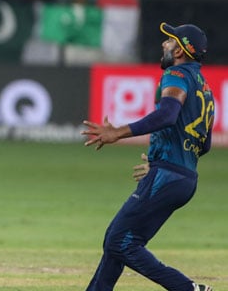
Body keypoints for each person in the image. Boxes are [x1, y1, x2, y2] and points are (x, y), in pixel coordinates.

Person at [81, 22, 214, 291]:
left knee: (119, 241)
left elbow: (167, 115)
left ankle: (188, 289)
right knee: (119, 240)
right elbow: (206, 143)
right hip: (183, 176)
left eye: (170, 41)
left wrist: (117, 133)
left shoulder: (177, 73)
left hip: (168, 175)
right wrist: (162, 162)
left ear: (180, 50)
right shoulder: (205, 88)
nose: (164, 44)